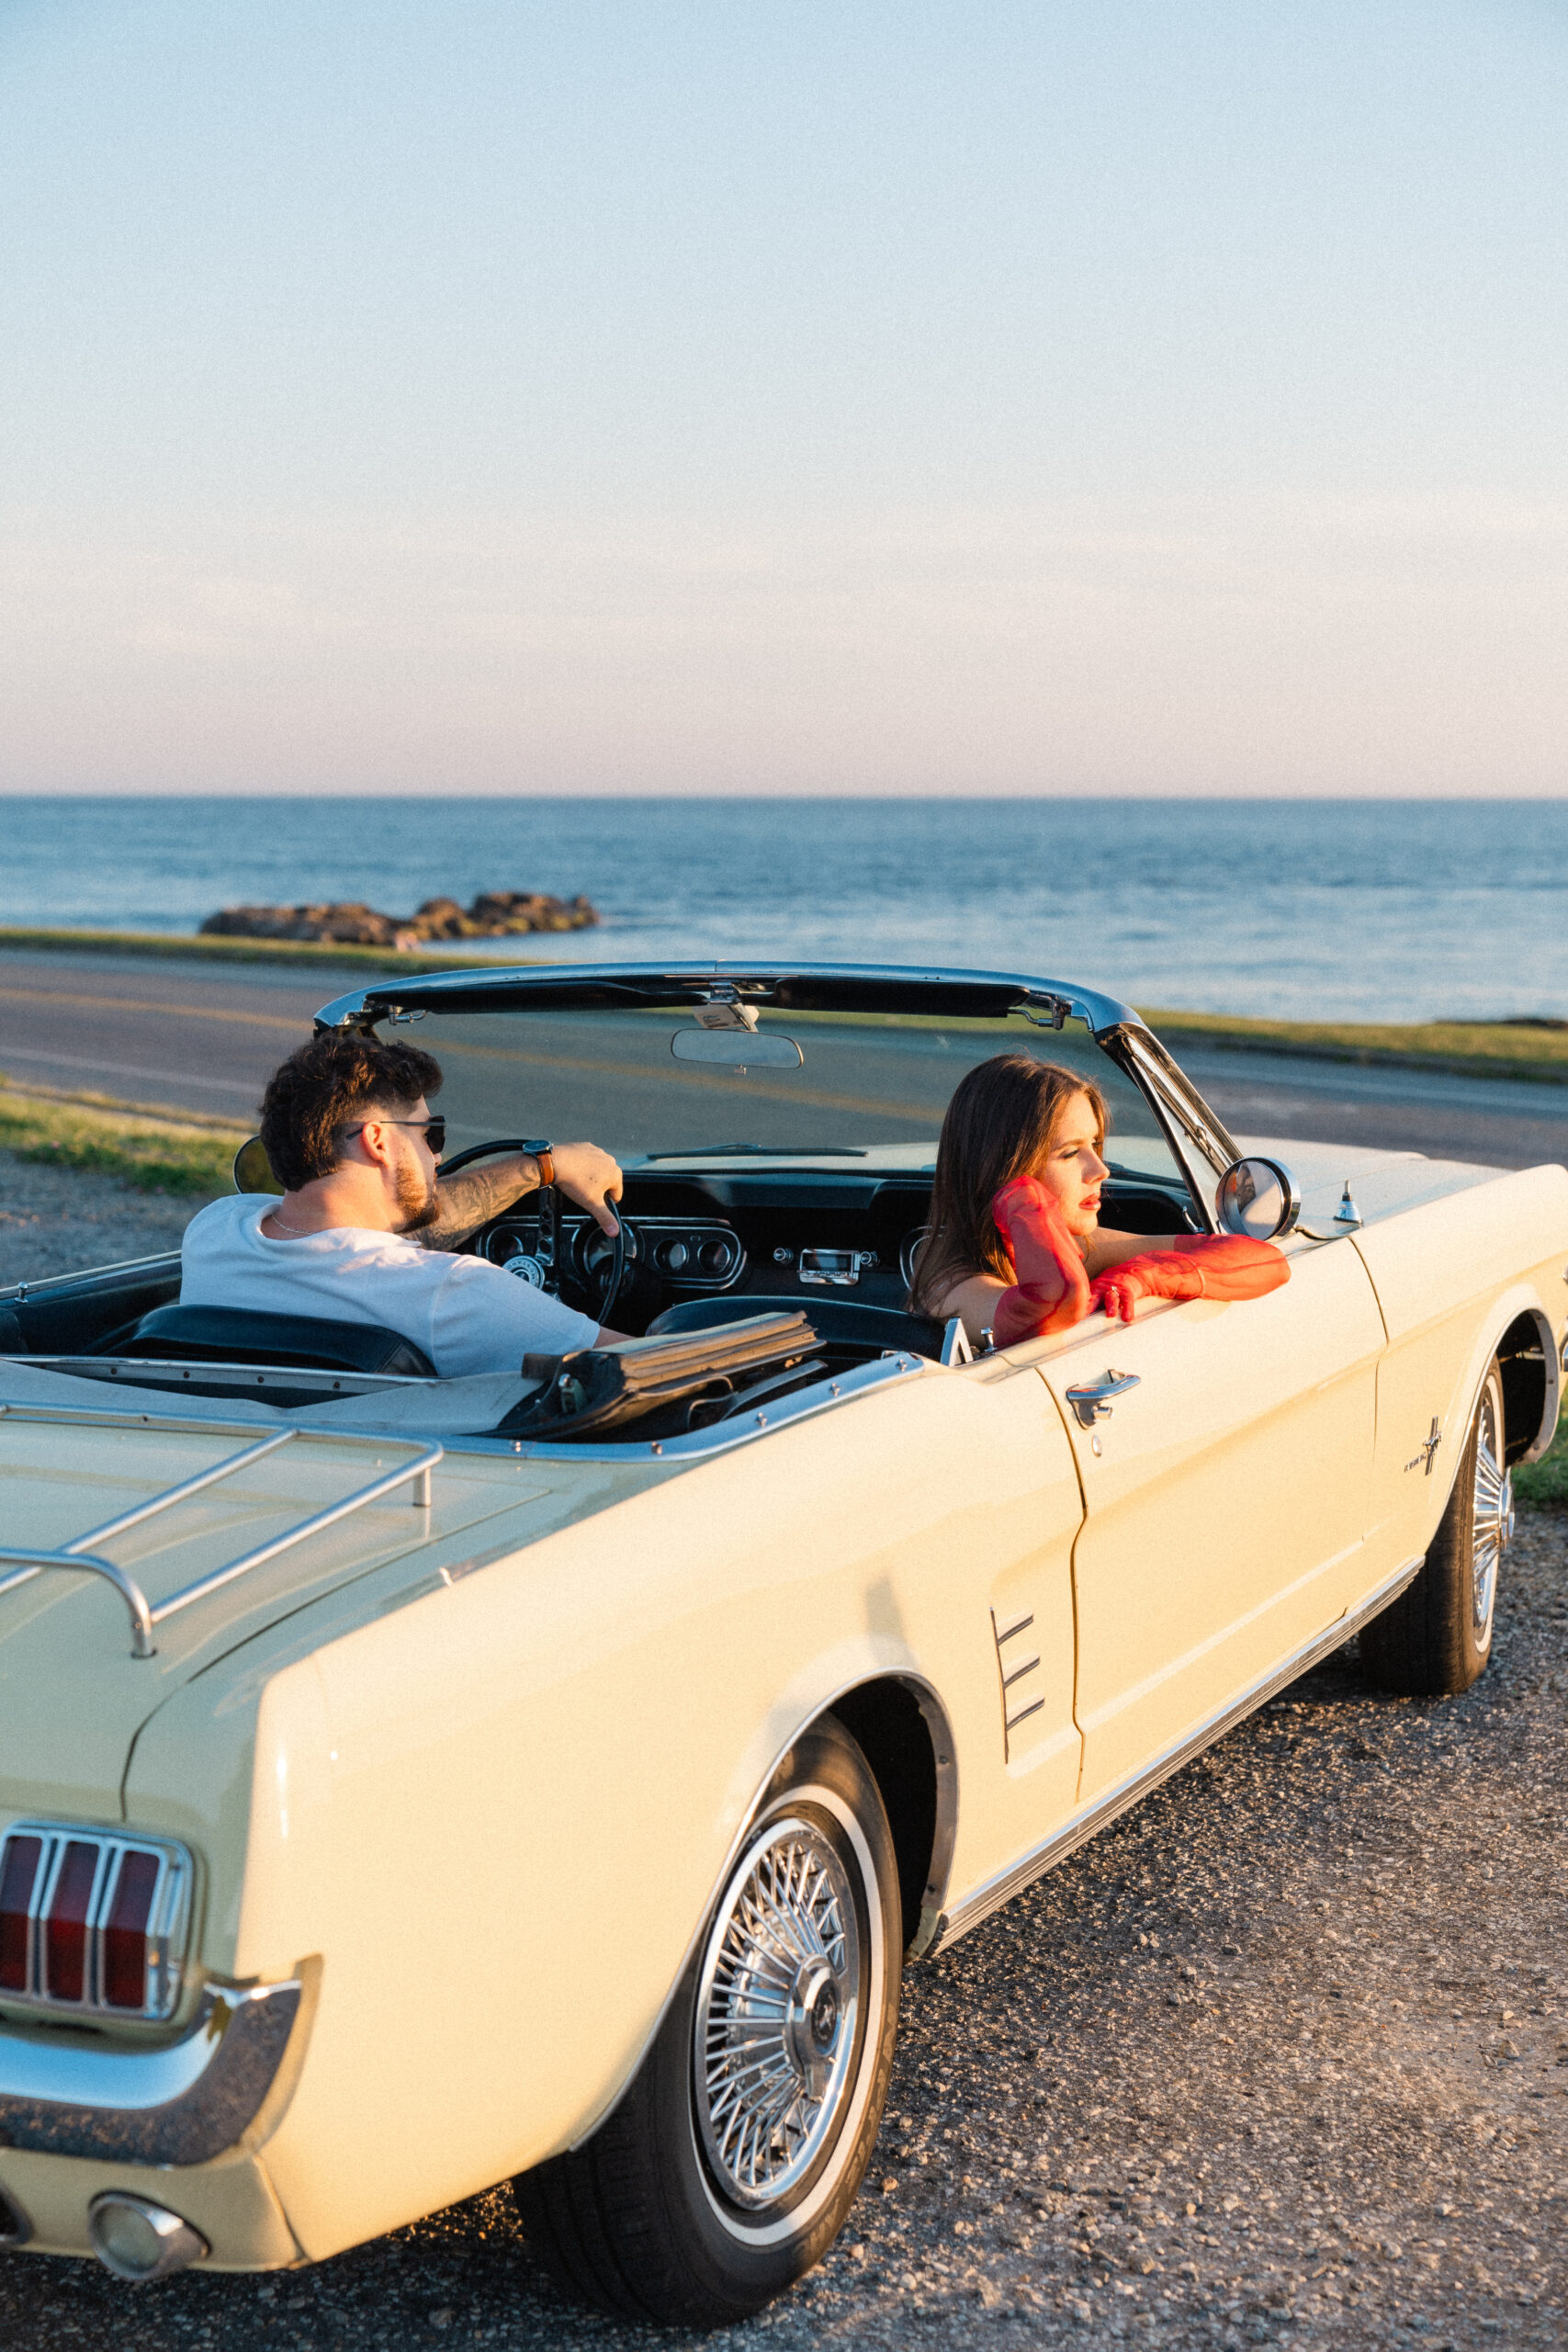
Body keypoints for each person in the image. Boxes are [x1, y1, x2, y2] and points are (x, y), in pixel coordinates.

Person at [180, 1033, 630, 1376]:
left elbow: (388, 1230)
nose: (437, 1156)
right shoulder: (454, 1294)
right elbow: (661, 1363)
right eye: (428, 1135)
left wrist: (545, 1167)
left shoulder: (216, 1230)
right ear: (378, 1140)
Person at [908, 1054, 1288, 1347]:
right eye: (1070, 1153)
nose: (1101, 1170)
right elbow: (1056, 1301)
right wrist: (1020, 1198)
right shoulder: (951, 1286)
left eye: (1095, 1145)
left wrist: (1147, 1275)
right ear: (1006, 1167)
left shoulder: (1079, 1247)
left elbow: (1264, 1260)